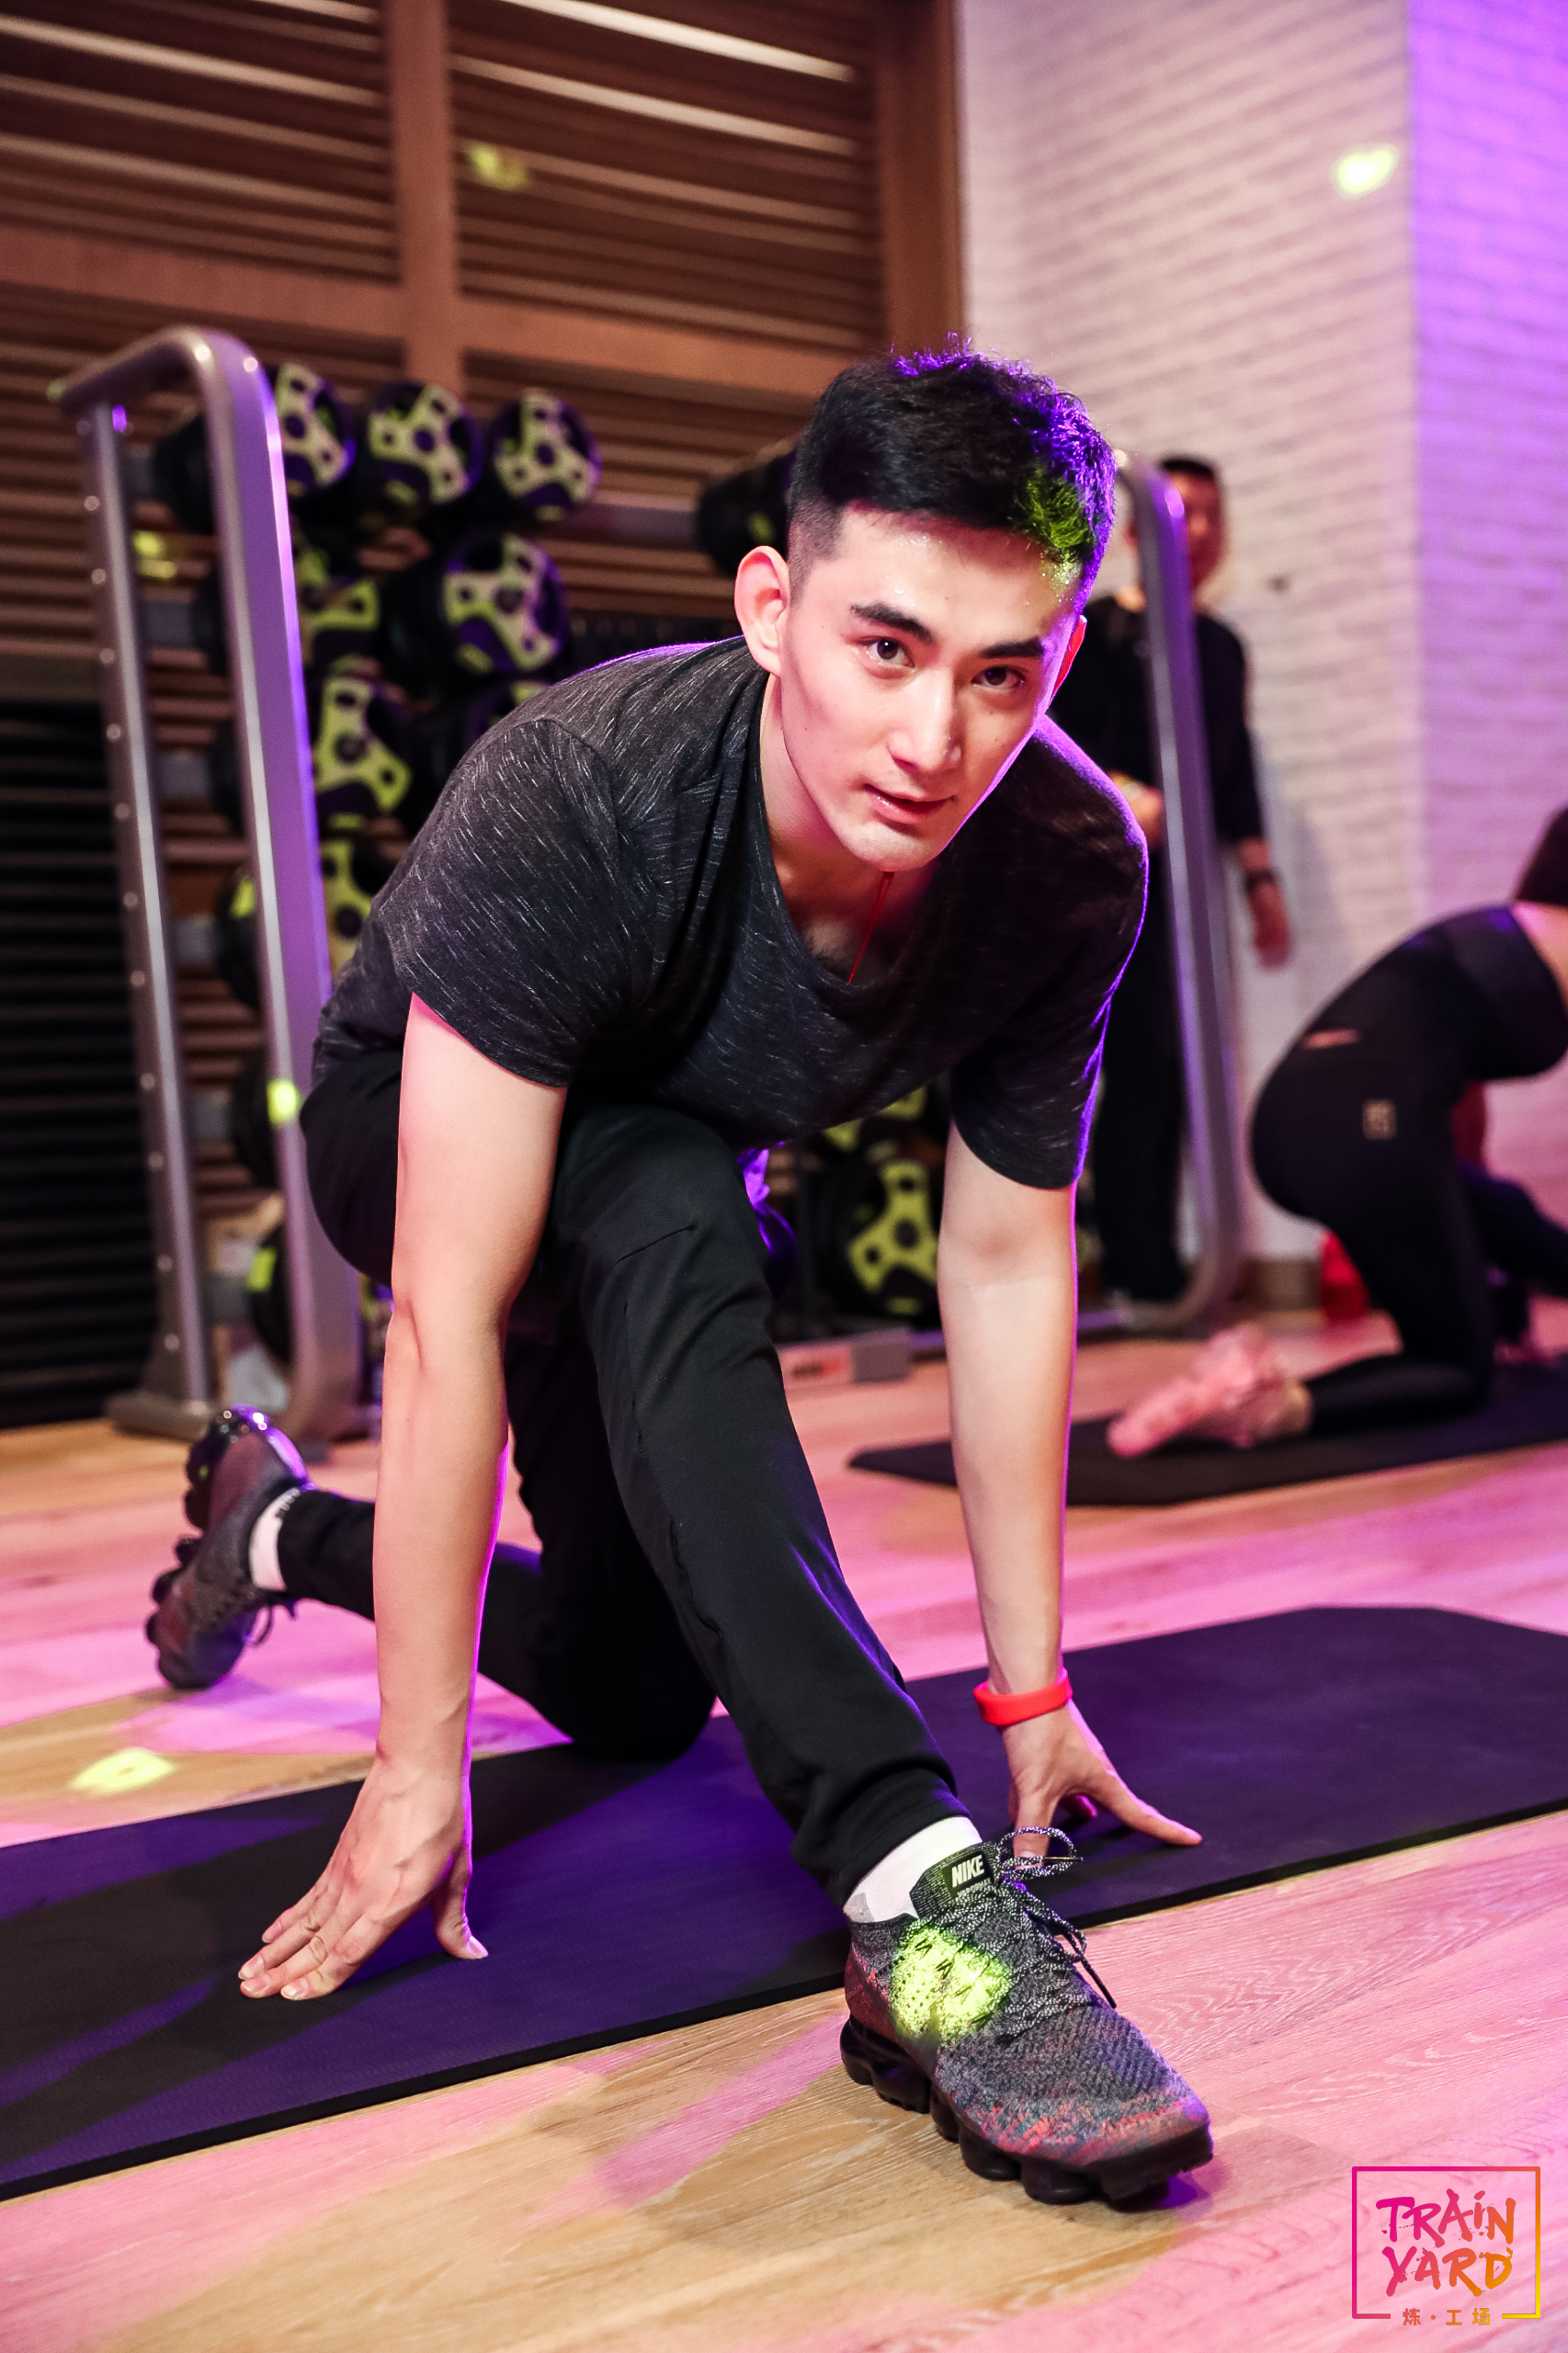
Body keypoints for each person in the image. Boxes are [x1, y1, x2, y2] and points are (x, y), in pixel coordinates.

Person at [147, 347, 1213, 2206]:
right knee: (669, 1193)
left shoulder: (1061, 862)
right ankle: (920, 1897)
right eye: (885, 648)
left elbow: (1001, 1258)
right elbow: (445, 1316)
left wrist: (1031, 1687)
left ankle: (276, 1528)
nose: (935, 737)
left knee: (632, 1689)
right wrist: (411, 1765)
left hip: (667, 1180)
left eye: (1001, 672)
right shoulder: (587, 787)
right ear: (770, 606)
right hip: (420, 1134)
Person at [1108, 810, 1568, 1456]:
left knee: (1507, 1212)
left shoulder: (1499, 931)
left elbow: (1454, 1101)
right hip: (1368, 1127)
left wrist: (1481, 1253)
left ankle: (1234, 1383)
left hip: (1296, 1120)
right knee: (1457, 1369)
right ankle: (1263, 1400)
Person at [1050, 456, 1290, 1306]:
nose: (1202, 531)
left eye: (1213, 514)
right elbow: (1052, 736)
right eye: (1184, 513)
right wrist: (1119, 791)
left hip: (1190, 881)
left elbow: (1233, 770)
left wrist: (1259, 876)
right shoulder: (1101, 631)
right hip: (1114, 875)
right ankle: (1134, 1257)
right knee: (1139, 1057)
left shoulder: (1220, 647)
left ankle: (1165, 1251)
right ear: (1140, 531)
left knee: (1187, 1064)